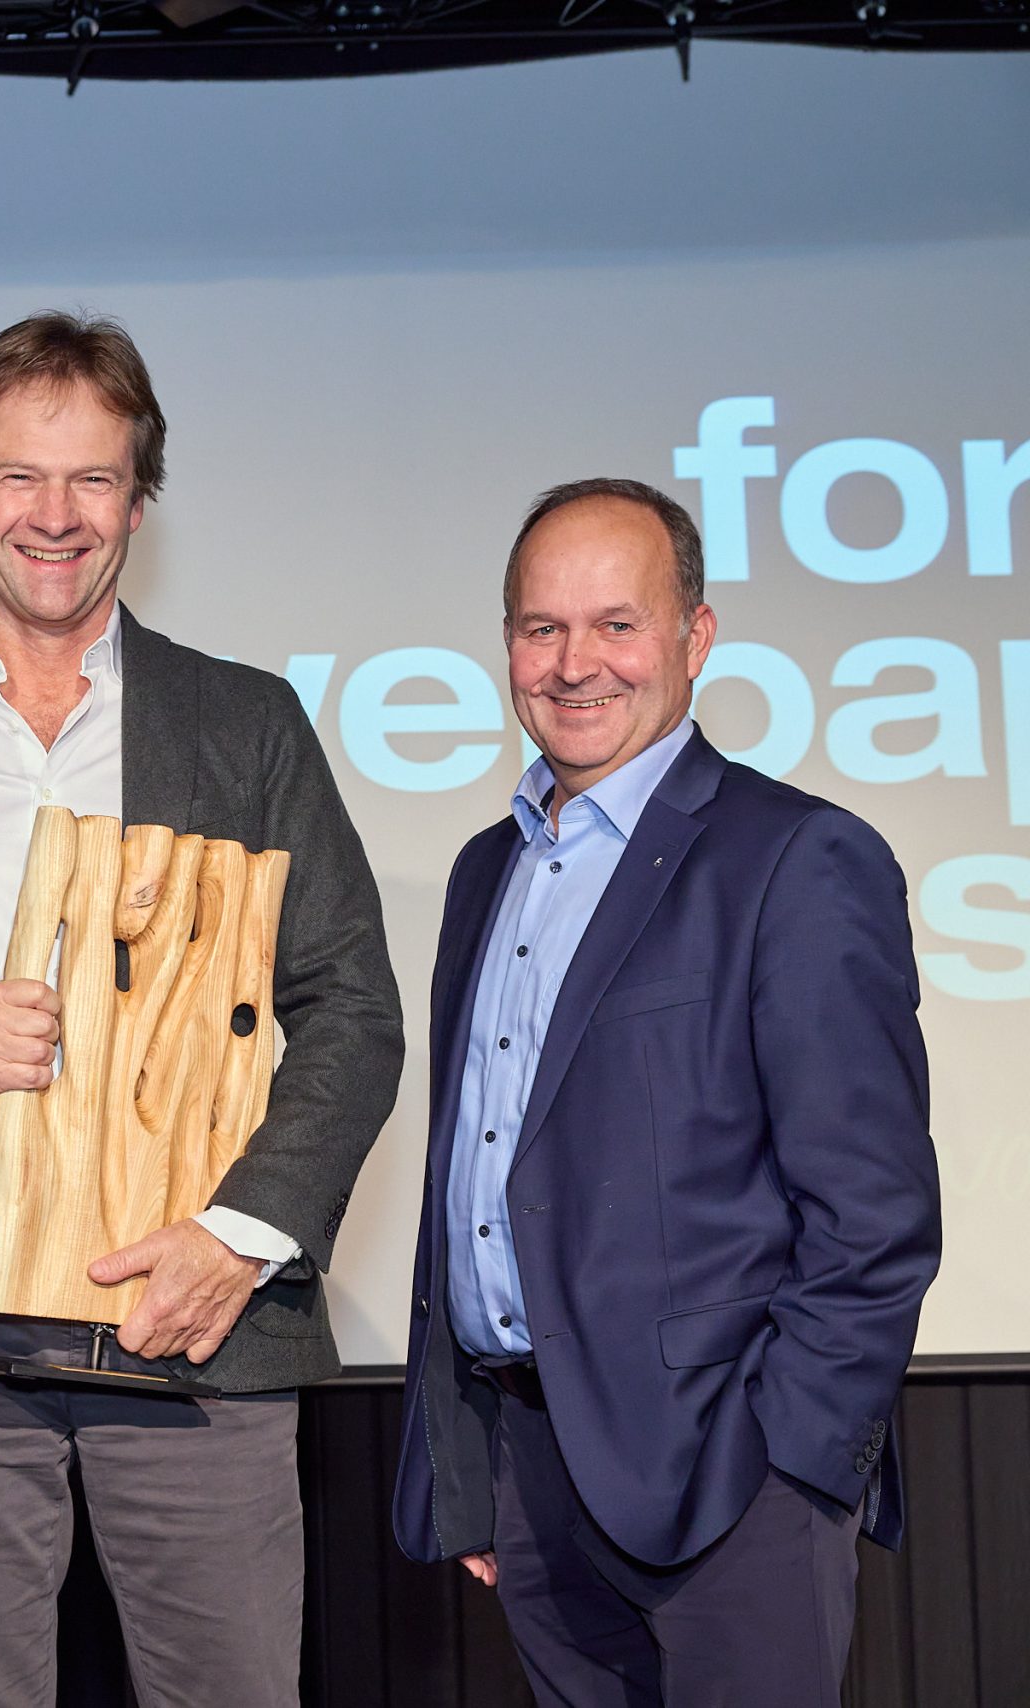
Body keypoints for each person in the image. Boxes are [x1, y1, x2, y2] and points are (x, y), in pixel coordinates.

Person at [0, 312, 403, 1706]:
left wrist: (239, 1237)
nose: (55, 515)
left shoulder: (247, 725)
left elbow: (353, 1008)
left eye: (93, 478)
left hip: (193, 1306)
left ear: (138, 501)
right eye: (20, 477)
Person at [389, 478, 940, 1706]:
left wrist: (792, 1468)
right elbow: (477, 1170)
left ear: (694, 637)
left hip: (731, 1485)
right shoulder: (486, 870)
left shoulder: (796, 857)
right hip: (532, 1474)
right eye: (541, 627)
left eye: (616, 624)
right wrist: (477, 1466)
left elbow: (875, 1213)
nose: (574, 663)